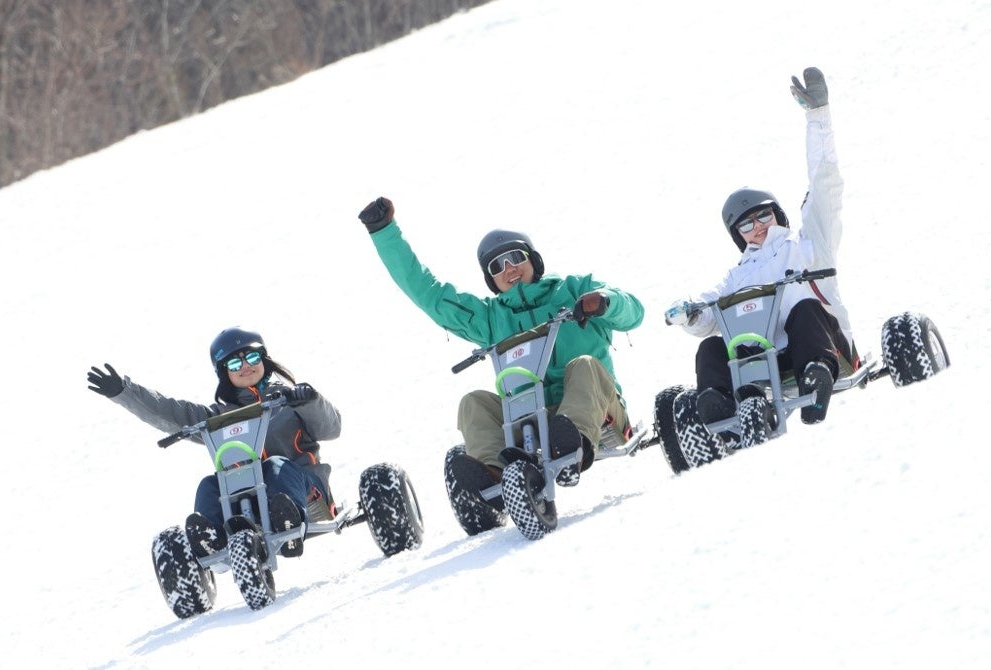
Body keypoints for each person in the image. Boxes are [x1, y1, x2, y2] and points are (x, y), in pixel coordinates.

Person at [350, 197, 642, 500]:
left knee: (583, 365)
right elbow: (430, 295)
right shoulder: (491, 319)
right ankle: (494, 476)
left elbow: (634, 312)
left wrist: (604, 302)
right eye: (496, 266)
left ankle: (572, 444)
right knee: (473, 403)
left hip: (597, 408)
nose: (508, 268)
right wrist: (384, 232)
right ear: (491, 279)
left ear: (534, 260)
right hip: (533, 420)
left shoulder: (575, 291)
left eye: (515, 257)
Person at [665, 67, 859, 424]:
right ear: (737, 235)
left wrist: (818, 116)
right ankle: (720, 411)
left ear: (778, 215)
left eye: (763, 216)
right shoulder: (737, 277)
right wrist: (690, 313)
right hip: (766, 363)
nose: (757, 227)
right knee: (711, 346)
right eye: (746, 224)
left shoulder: (808, 244)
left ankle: (816, 379)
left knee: (804, 308)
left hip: (822, 346)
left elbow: (825, 183)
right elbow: (708, 313)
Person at [86, 328, 340, 557]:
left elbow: (331, 429)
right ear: (224, 372)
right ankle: (210, 541)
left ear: (264, 359)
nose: (245, 366)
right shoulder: (219, 418)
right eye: (234, 362)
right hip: (250, 503)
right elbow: (170, 413)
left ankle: (288, 520)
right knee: (210, 485)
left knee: (276, 466)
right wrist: (123, 392)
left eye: (252, 357)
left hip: (305, 489)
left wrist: (311, 401)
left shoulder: (291, 400)